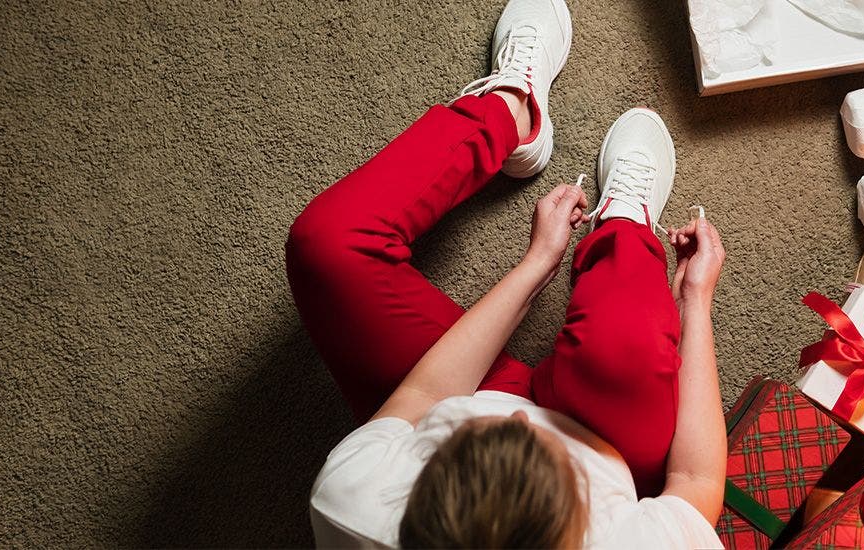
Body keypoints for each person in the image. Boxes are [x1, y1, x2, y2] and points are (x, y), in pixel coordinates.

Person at [285, 0, 727, 547]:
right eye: (536, 442)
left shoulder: (353, 505)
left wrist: (536, 266)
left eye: (467, 440)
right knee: (627, 344)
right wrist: (695, 300)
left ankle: (510, 113)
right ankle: (621, 230)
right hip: (602, 438)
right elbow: (695, 482)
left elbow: (425, 395)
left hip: (451, 386)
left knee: (327, 247)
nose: (520, 420)